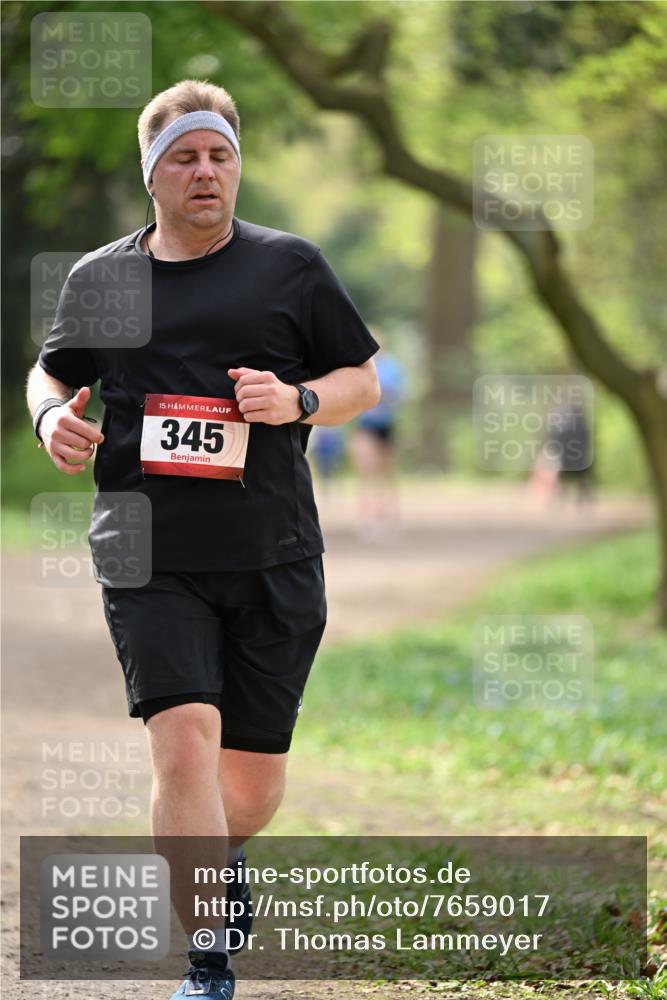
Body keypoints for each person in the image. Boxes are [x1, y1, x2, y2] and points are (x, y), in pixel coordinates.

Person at [25, 79, 380, 1000]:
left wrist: (299, 400)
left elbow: (362, 381)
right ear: (152, 175)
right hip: (148, 552)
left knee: (249, 788)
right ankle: (208, 961)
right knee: (182, 744)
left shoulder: (289, 268)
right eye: (185, 156)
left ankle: (220, 858)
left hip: (273, 552)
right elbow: (50, 374)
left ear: (237, 166)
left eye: (220, 154)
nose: (206, 172)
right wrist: (45, 421)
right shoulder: (103, 280)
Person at [348, 335, 405, 539]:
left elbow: (399, 396)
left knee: (387, 473)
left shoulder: (391, 368)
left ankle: (391, 517)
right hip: (365, 426)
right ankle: (367, 519)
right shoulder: (356, 368)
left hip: (386, 425)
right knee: (366, 473)